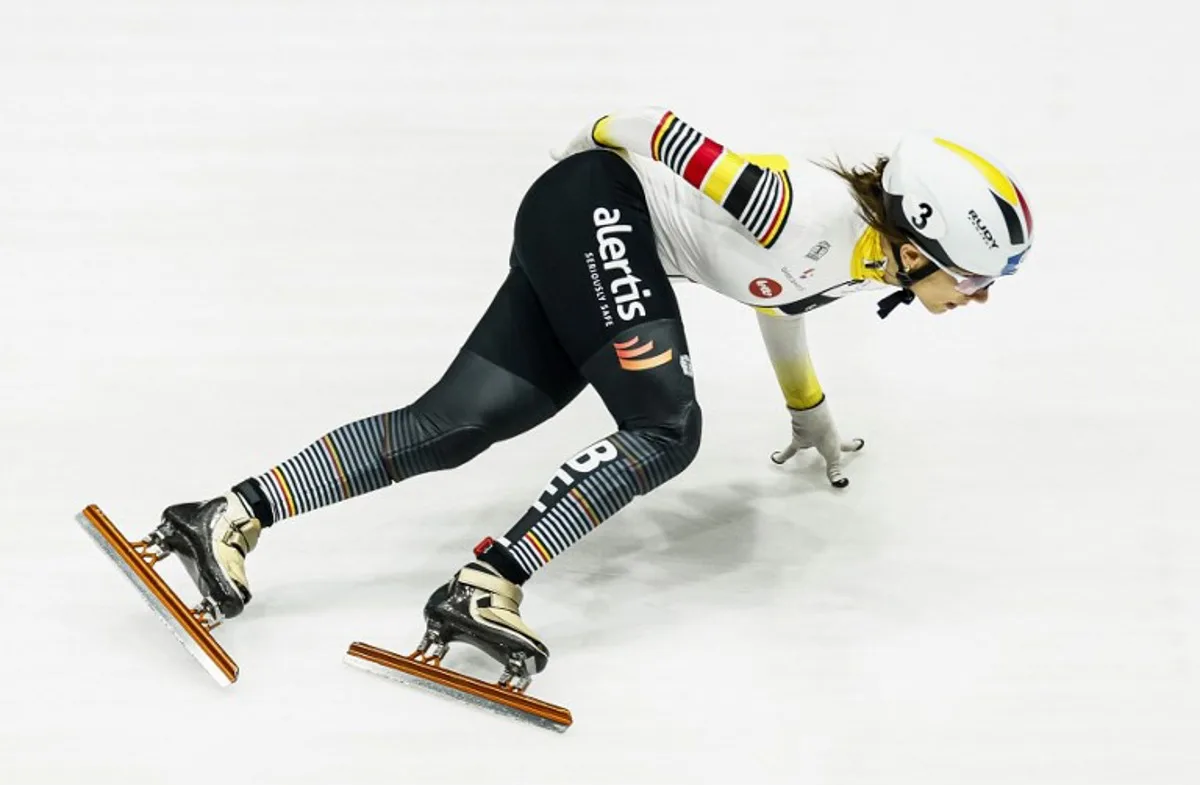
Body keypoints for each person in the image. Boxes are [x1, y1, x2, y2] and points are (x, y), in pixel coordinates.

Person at [151, 106, 1034, 688]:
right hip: (595, 206)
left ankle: (224, 515)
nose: (978, 296)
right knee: (665, 429)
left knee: (459, 422)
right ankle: (484, 585)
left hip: (588, 225)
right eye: (973, 277)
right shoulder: (797, 210)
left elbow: (779, 302)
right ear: (917, 240)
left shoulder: (858, 257)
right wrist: (583, 155)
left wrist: (809, 414)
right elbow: (652, 124)